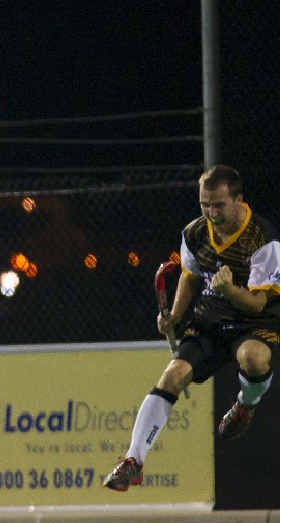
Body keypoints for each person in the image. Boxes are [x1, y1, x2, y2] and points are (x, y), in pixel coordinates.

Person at [103, 165, 278, 491]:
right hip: (211, 317)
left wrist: (229, 290)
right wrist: (174, 316)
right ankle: (133, 461)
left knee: (253, 358)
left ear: (238, 199)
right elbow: (190, 276)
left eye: (219, 205)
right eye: (204, 204)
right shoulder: (195, 233)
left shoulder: (263, 239)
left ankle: (245, 404)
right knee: (173, 375)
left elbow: (257, 303)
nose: (211, 213)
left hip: (254, 321)